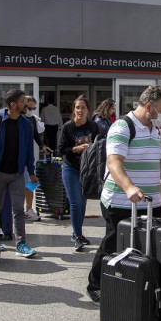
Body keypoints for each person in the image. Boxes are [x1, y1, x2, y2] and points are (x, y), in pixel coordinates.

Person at [86, 86, 161, 305]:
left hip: (150, 202)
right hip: (122, 200)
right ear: (149, 107)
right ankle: (96, 285)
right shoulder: (123, 127)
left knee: (146, 248)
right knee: (113, 245)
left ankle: (138, 285)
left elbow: (157, 161)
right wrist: (130, 187)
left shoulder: (153, 129)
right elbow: (114, 162)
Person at [0, 89, 38, 258]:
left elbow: (29, 150)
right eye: (23, 101)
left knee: (18, 209)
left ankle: (21, 244)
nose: (26, 104)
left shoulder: (26, 124)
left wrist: (31, 172)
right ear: (12, 105)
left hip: (17, 174)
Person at [57, 95, 99, 251]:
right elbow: (60, 149)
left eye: (83, 107)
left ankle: (77, 233)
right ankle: (78, 236)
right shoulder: (68, 127)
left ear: (88, 110)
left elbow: (98, 145)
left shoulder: (93, 127)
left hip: (87, 169)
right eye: (77, 107)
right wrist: (76, 149)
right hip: (70, 168)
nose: (80, 110)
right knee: (75, 203)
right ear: (74, 110)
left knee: (83, 204)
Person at [23, 95, 49, 222]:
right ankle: (16, 210)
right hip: (17, 157)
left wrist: (42, 146)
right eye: (29, 108)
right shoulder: (18, 118)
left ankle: (28, 209)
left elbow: (36, 135)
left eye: (33, 109)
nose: (31, 111)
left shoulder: (32, 119)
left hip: (28, 156)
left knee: (30, 183)